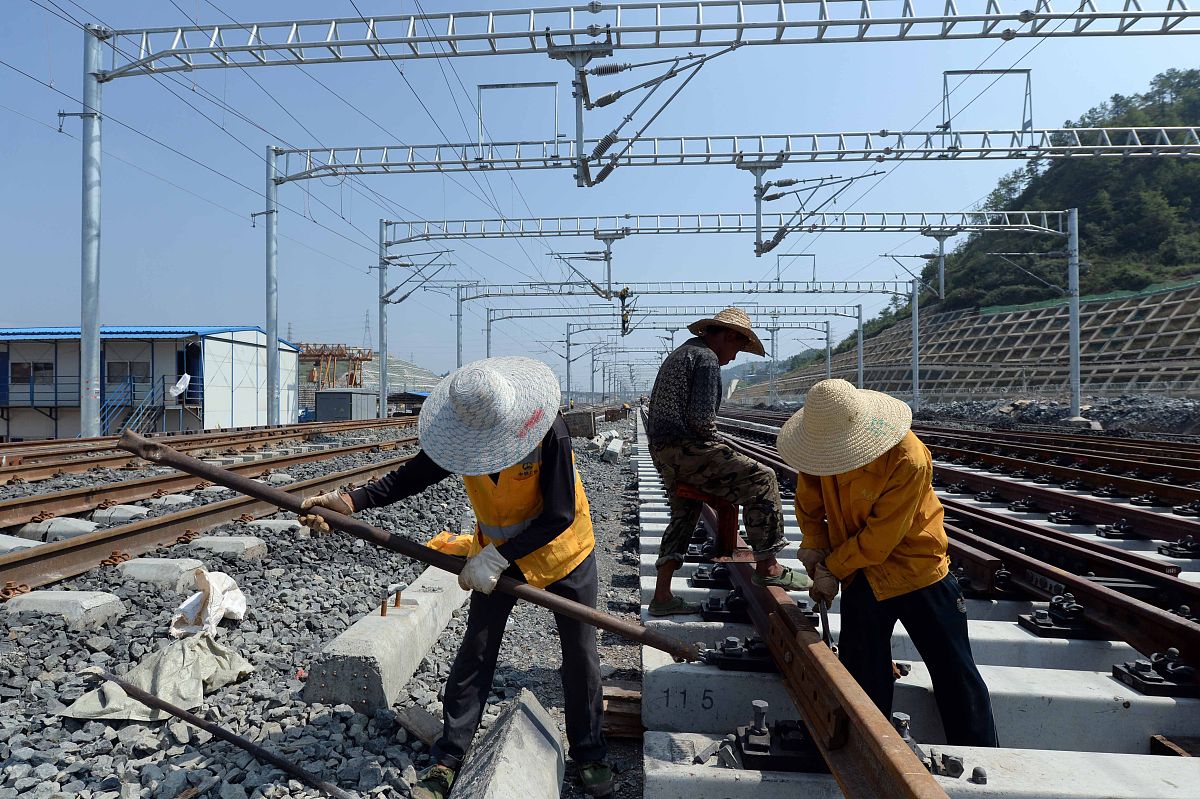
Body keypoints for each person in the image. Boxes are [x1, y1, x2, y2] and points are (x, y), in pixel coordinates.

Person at [298, 357, 613, 799]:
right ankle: (450, 755)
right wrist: (351, 501)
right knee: (478, 648)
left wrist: (498, 558)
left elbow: (559, 513)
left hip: (565, 550)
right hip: (494, 552)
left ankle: (590, 753)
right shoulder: (461, 436)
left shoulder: (547, 430)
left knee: (580, 653)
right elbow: (414, 475)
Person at [777, 378, 998, 747]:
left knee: (955, 673)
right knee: (863, 672)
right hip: (862, 574)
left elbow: (880, 540)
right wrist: (814, 549)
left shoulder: (907, 457)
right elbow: (809, 504)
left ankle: (981, 753)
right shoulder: (821, 452)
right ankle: (870, 747)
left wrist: (832, 568)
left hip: (918, 573)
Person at [645, 307, 810, 617]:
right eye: (737, 347)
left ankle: (663, 596)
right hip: (687, 448)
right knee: (762, 478)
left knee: (684, 513)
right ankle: (769, 564)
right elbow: (702, 422)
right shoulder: (705, 358)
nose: (734, 357)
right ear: (728, 335)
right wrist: (725, 450)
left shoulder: (683, 353)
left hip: (665, 450)